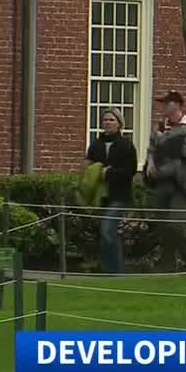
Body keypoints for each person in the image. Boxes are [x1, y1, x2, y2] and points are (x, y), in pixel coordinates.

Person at [144, 90, 186, 272]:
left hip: (182, 185)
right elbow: (151, 150)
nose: (164, 106)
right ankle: (167, 265)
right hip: (161, 183)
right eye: (163, 103)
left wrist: (165, 142)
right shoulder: (159, 127)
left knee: (176, 225)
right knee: (163, 227)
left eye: (168, 102)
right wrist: (151, 163)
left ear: (179, 105)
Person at [84, 109, 137, 274]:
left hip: (119, 195)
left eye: (111, 120)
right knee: (107, 233)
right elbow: (88, 164)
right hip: (100, 196)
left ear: (119, 124)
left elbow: (131, 170)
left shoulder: (126, 145)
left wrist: (109, 172)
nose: (107, 122)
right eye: (105, 120)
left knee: (107, 229)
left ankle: (116, 271)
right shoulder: (96, 144)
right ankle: (108, 270)